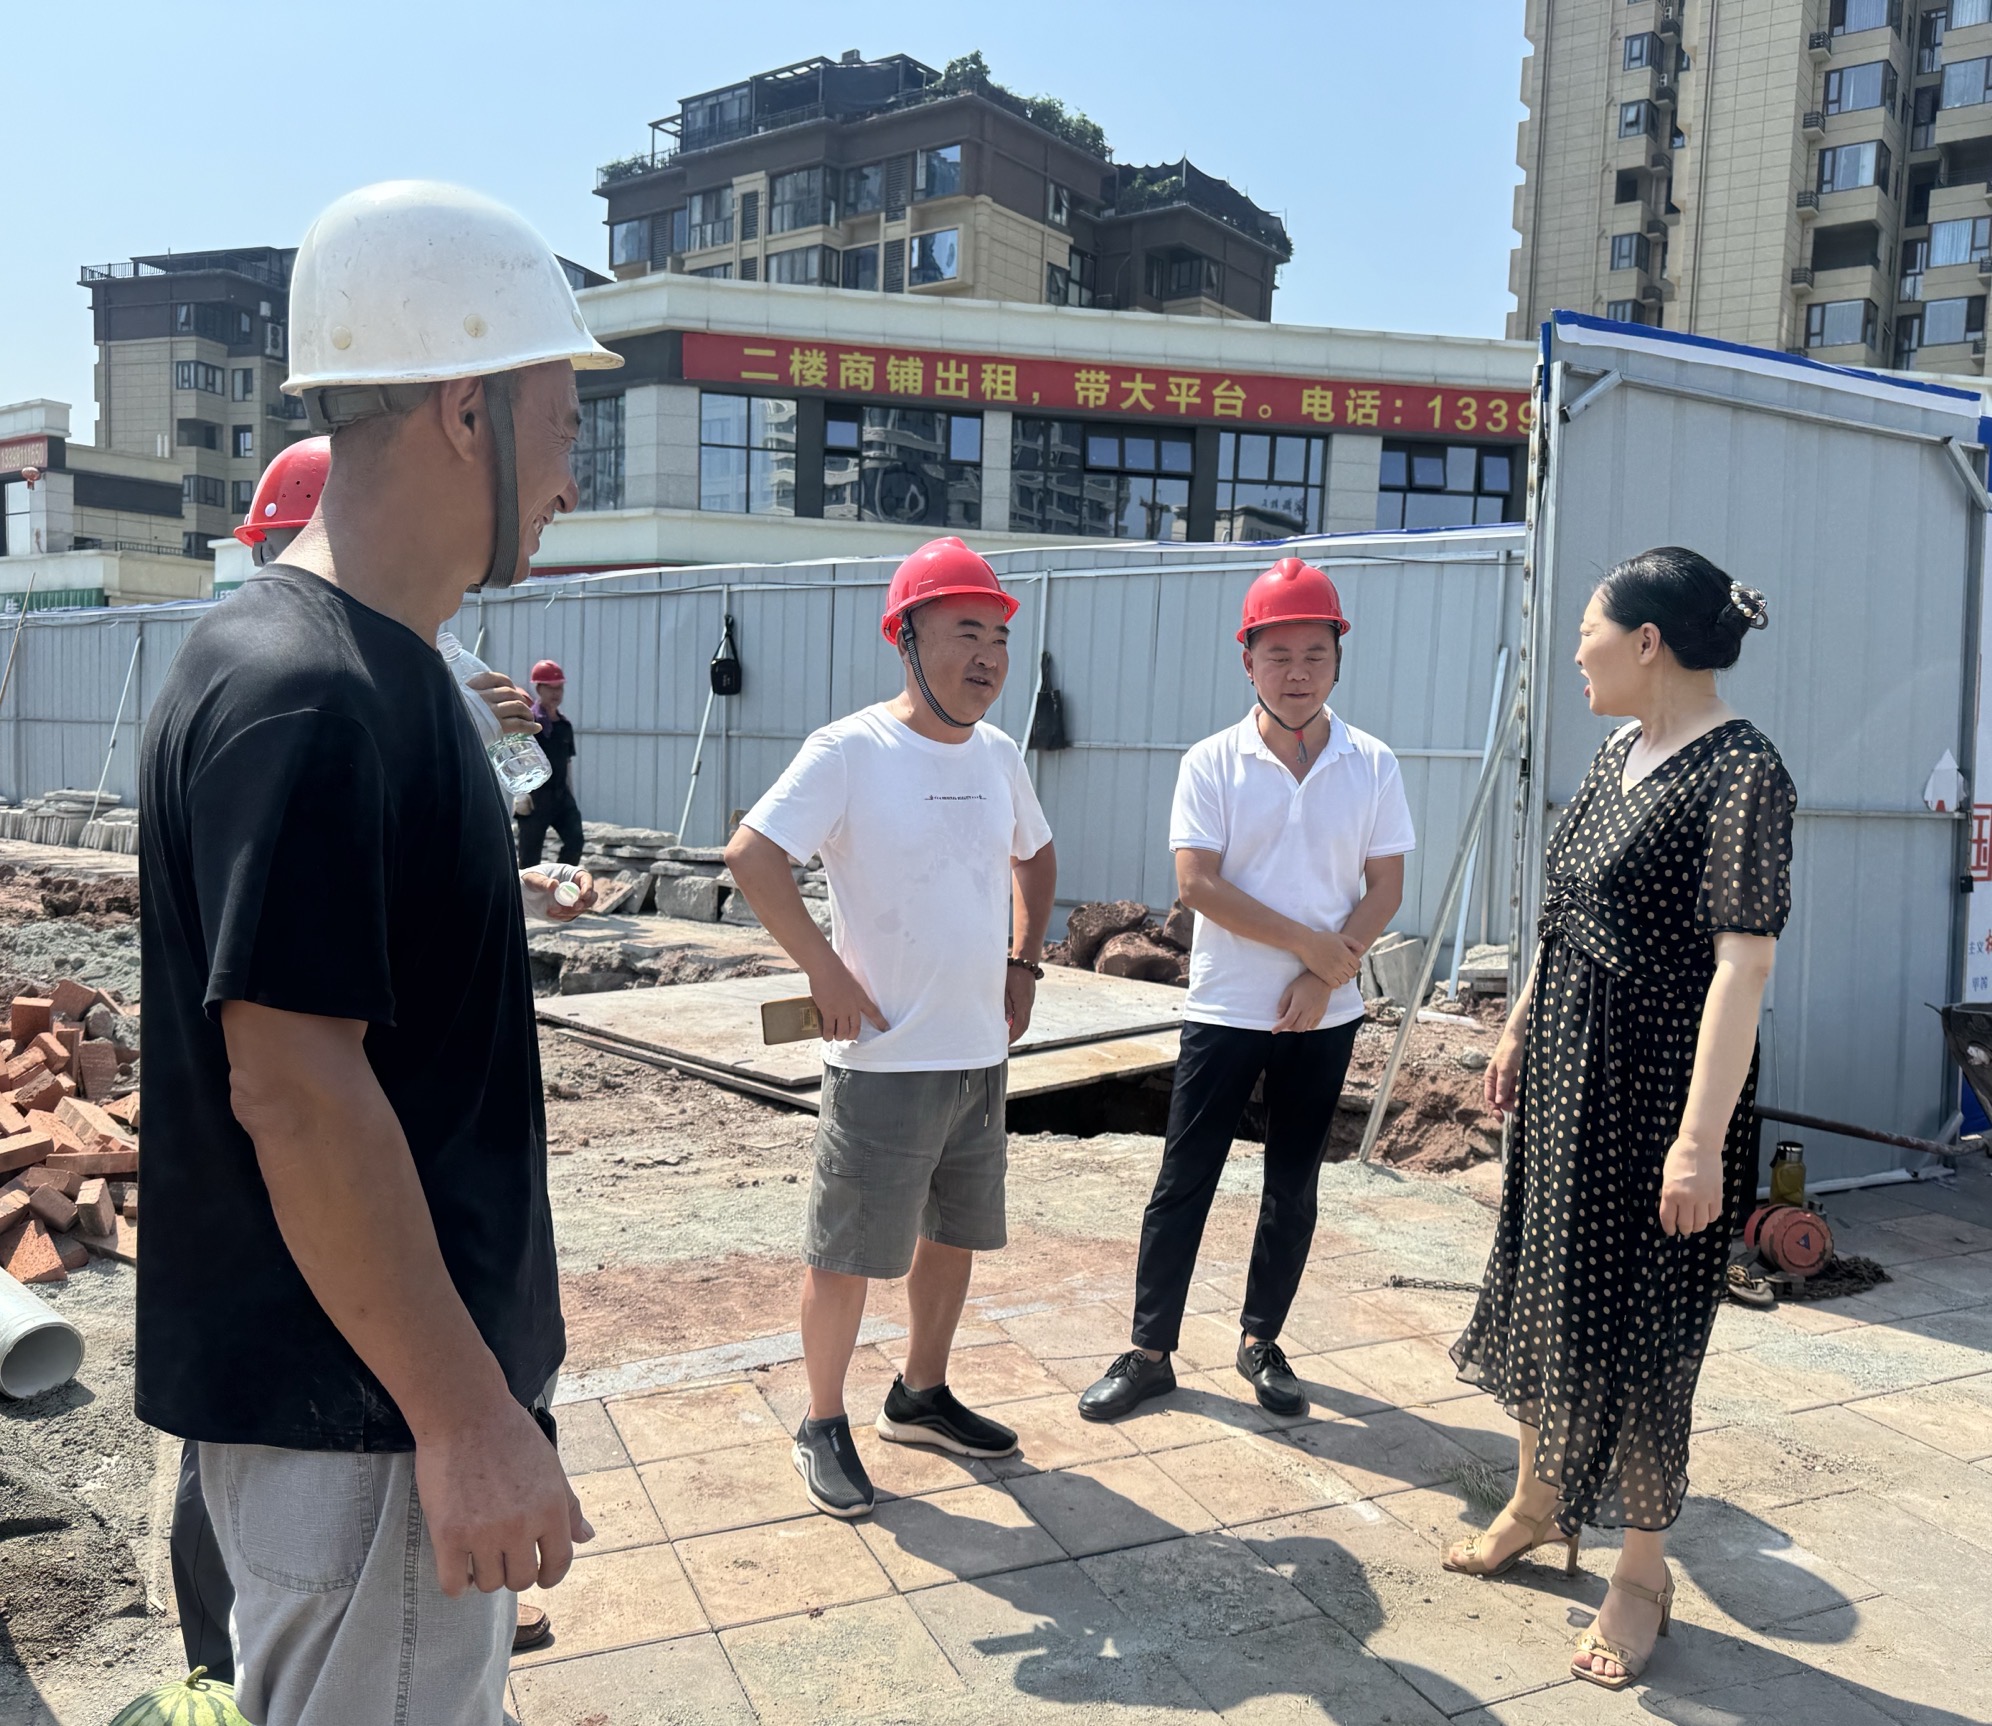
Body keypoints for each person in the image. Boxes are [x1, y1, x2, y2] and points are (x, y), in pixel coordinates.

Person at [138, 179, 622, 1724]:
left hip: (379, 1406)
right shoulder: (311, 694)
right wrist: (464, 1414)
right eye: (563, 419)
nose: (574, 474)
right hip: (369, 1428)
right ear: (467, 410)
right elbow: (295, 1088)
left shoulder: (369, 672)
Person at [1446, 547, 1792, 1694]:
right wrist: (1518, 1027)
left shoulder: (1743, 770)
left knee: (1646, 1329)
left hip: (1656, 1093)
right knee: (1546, 1285)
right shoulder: (1616, 750)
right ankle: (1536, 1502)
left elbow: (1743, 965)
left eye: (1590, 632)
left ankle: (1642, 1574)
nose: (1577, 655)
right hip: (1566, 1073)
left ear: (1648, 641)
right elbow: (1564, 914)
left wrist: (1699, 1139)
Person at [725, 537, 1057, 1519]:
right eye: (966, 632)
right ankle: (821, 1421)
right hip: (883, 1058)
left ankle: (921, 1394)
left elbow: (1035, 857)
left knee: (953, 1236)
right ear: (905, 638)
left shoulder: (998, 754)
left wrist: (1024, 959)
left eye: (999, 636)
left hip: (977, 1052)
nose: (989, 655)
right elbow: (752, 854)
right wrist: (823, 968)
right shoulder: (851, 750)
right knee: (845, 1251)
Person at [1076, 557, 1415, 1424]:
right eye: (1278, 656)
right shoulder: (1211, 762)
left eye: (1314, 654)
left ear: (1338, 656)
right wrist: (1311, 951)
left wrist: (1324, 977)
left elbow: (1385, 886)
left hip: (1323, 1015)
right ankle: (1150, 1353)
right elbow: (1198, 885)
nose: (1298, 673)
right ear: (1247, 661)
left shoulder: (1372, 763)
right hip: (1227, 1005)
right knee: (1183, 1179)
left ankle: (1262, 1341)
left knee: (1292, 1185)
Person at [516, 658, 584, 869]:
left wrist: (571, 796)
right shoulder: (529, 723)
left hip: (560, 795)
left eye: (559, 688)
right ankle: (527, 890)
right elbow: (517, 760)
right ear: (538, 688)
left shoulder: (564, 726)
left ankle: (559, 883)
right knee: (529, 858)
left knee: (575, 840)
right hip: (535, 797)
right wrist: (521, 795)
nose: (556, 693)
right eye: (550, 688)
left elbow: (567, 764)